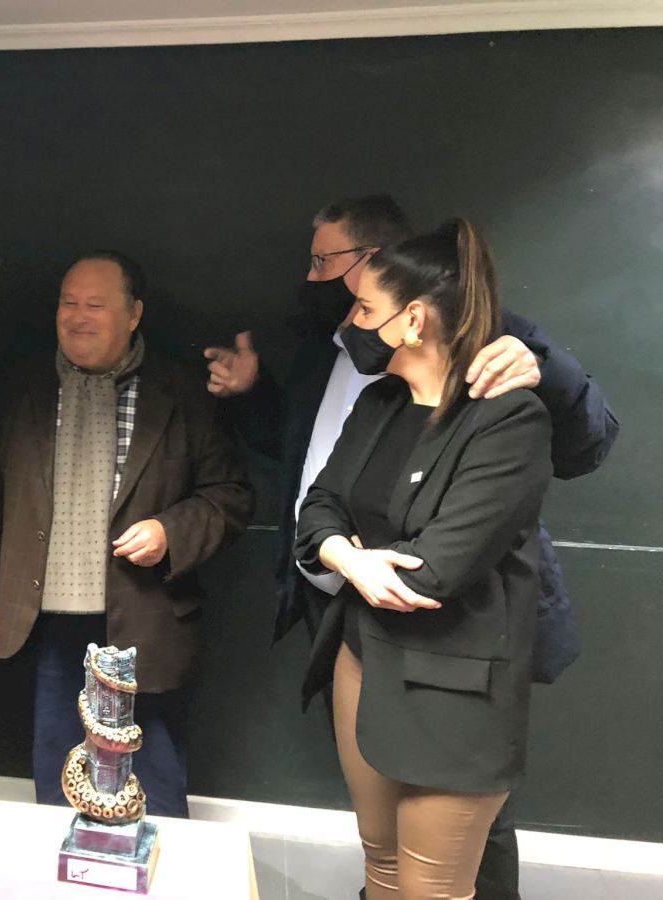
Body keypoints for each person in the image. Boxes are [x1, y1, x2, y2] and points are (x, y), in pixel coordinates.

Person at [205, 194, 617, 899]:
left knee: (460, 854)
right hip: (350, 622)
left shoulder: (502, 369)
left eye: (325, 262)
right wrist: (344, 555)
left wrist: (541, 363)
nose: (315, 282)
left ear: (398, 294)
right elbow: (315, 484)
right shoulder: (363, 378)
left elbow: (585, 444)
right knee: (386, 855)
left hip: (458, 656)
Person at [295, 219, 552, 898]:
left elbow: (434, 572)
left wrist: (346, 551)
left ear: (413, 320)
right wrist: (349, 559)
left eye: (364, 310)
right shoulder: (379, 402)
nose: (351, 324)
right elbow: (318, 508)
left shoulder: (508, 420)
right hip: (361, 660)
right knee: (381, 866)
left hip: (454, 693)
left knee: (432, 889)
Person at [0, 251, 253, 817]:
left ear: (134, 314)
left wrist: (170, 531)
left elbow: (230, 496)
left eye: (96, 305)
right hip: (45, 622)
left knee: (154, 786)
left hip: (146, 618)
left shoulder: (181, 393)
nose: (78, 316)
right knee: (59, 785)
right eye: (68, 303)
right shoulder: (21, 386)